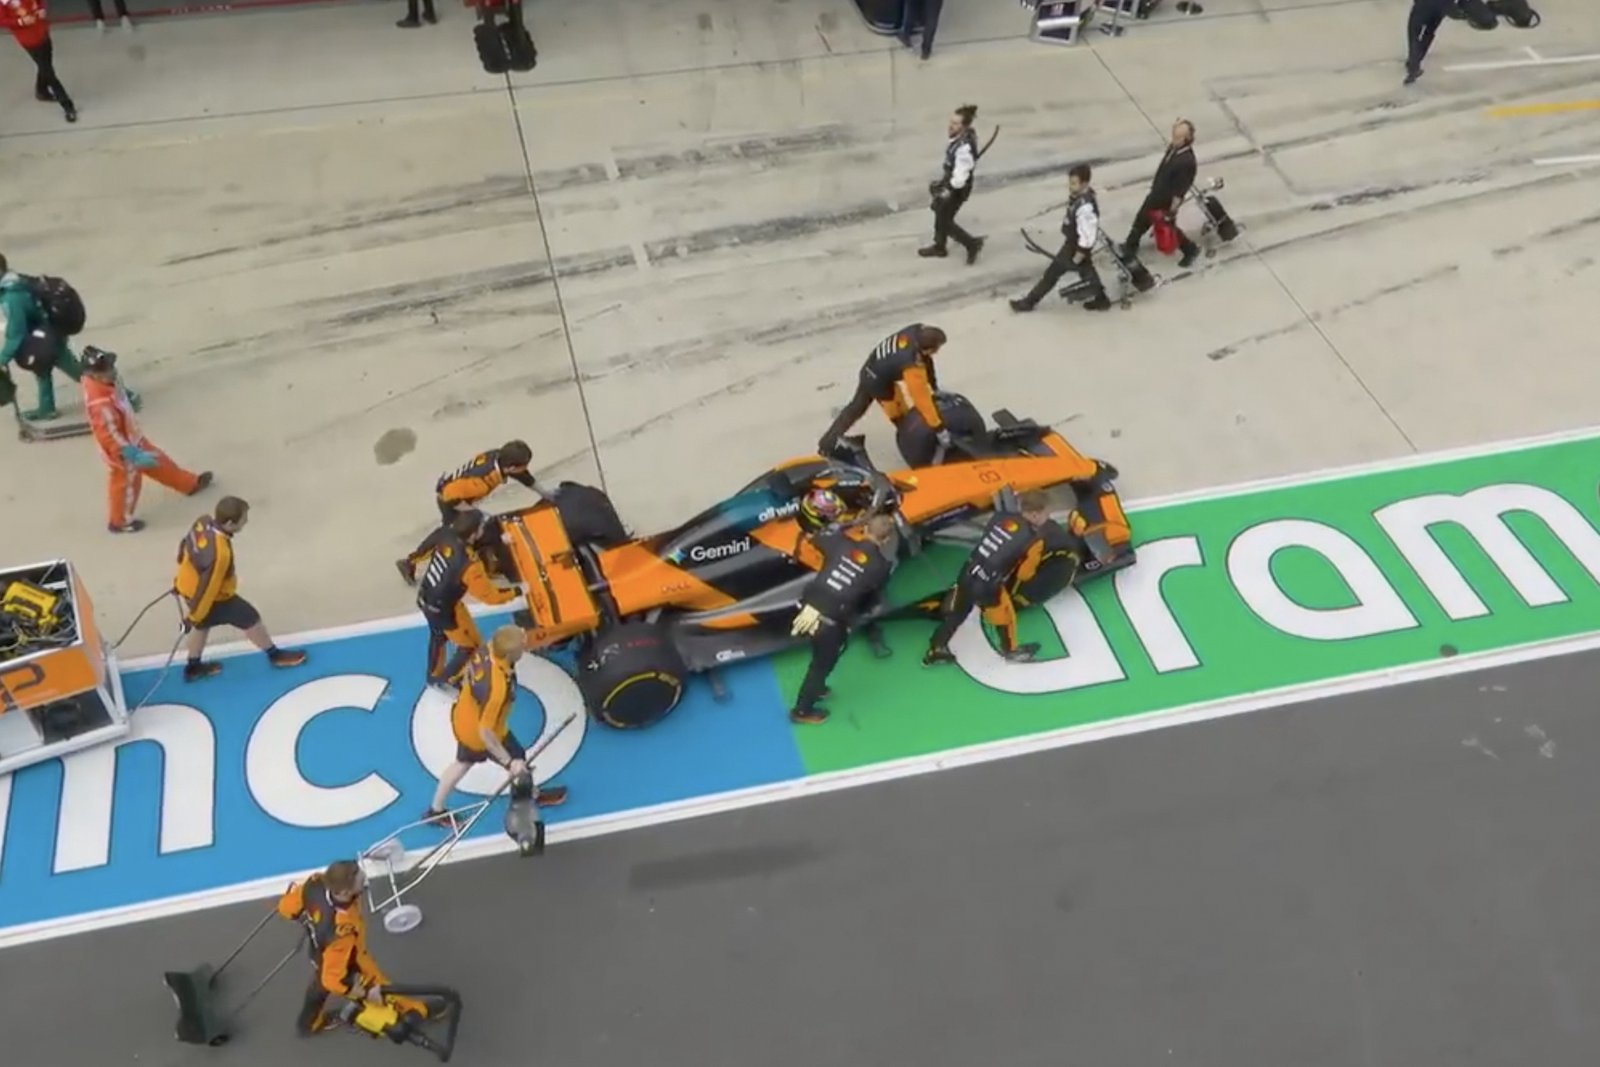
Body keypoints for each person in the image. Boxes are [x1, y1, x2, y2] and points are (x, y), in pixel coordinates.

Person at [425, 626, 568, 825]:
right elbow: (486, 732)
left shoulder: (488, 648)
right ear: (511, 653)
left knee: (464, 762)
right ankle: (529, 796)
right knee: (517, 760)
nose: (524, 646)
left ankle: (435, 810)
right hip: (481, 732)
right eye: (521, 646)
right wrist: (509, 763)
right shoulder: (497, 689)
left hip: (464, 715)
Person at [275, 860, 436, 1037]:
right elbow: (332, 979)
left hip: (317, 953)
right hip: (350, 965)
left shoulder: (315, 883)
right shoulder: (342, 931)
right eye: (361, 881)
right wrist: (361, 992)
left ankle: (308, 1025)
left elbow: (286, 908)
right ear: (344, 892)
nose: (365, 881)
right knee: (380, 988)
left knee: (318, 989)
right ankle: (414, 1012)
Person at [173, 496, 309, 681]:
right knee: (250, 618)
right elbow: (208, 589)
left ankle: (193, 667)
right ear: (230, 523)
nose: (246, 522)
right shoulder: (220, 554)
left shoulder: (202, 522)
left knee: (202, 626)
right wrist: (194, 616)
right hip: (213, 598)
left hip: (187, 587)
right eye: (243, 519)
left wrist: (178, 582)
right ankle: (275, 655)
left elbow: (184, 547)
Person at [923, 491, 1063, 666]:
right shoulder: (1034, 541)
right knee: (1006, 619)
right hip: (988, 587)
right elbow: (1024, 574)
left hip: (969, 572)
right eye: (1046, 515)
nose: (1047, 519)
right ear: (1036, 514)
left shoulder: (1000, 517)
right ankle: (1010, 652)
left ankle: (935, 649)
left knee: (957, 614)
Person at [787, 514, 898, 724]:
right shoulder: (881, 567)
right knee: (820, 665)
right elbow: (870, 601)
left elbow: (815, 536)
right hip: (830, 623)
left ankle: (817, 689)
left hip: (806, 607)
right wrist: (852, 620)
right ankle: (801, 711)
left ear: (865, 528)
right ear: (886, 540)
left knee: (821, 658)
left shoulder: (840, 543)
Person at [82, 347, 202, 533]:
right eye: (105, 370)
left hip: (132, 438)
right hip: (122, 451)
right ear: (94, 374)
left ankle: (188, 483)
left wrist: (128, 399)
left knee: (160, 462)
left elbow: (119, 395)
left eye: (111, 367)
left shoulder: (107, 383)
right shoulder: (100, 405)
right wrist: (129, 453)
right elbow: (108, 435)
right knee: (127, 484)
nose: (111, 372)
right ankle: (119, 521)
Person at [395, 440, 537, 584]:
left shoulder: (499, 458)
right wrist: (476, 514)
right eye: (524, 466)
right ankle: (409, 562)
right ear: (511, 467)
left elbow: (523, 476)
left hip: (461, 496)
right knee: (453, 534)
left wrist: (546, 494)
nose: (525, 469)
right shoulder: (480, 482)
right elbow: (448, 496)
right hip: (452, 502)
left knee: (483, 530)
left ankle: (491, 566)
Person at [0, 255, 119, 420]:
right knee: (41, 369)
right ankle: (46, 408)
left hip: (48, 336)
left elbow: (16, 333)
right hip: (43, 333)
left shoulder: (12, 298)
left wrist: (2, 358)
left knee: (78, 372)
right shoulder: (14, 283)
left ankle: (122, 395)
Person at [417, 508, 519, 689]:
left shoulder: (446, 533)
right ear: (475, 532)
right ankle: (450, 679)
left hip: (427, 596)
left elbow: (427, 549)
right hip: (446, 609)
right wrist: (517, 592)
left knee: (438, 635)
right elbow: (491, 597)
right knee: (470, 646)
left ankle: (433, 675)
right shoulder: (470, 565)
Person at [817, 323, 948, 455]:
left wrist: (934, 387)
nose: (937, 352)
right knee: (900, 417)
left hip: (871, 367)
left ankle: (826, 443)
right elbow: (922, 400)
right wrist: (939, 428)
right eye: (937, 348)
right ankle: (914, 446)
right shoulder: (912, 365)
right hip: (879, 384)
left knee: (854, 409)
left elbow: (927, 362)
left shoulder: (915, 331)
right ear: (927, 349)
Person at [1009, 163, 1111, 313]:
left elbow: (1087, 233)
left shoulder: (1085, 207)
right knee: (1086, 272)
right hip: (1074, 244)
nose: (1070, 186)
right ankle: (1101, 299)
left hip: (1074, 246)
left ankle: (1029, 302)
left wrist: (1080, 252)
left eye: (1074, 183)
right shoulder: (1081, 198)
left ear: (1084, 183)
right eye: (1070, 183)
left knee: (1052, 273)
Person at [1121, 120, 1201, 269]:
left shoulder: (1187, 161)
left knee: (1166, 227)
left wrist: (1172, 211)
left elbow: (1180, 190)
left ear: (1186, 139)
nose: (1173, 140)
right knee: (1141, 221)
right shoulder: (1174, 149)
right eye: (1173, 135)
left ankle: (1190, 249)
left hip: (1165, 201)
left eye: (1177, 137)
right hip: (1157, 193)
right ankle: (1130, 246)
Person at [920, 105, 986, 264]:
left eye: (956, 123)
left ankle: (971, 244)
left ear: (964, 127)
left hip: (958, 189)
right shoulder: (960, 140)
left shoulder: (964, 148)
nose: (951, 126)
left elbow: (961, 176)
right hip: (951, 183)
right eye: (951, 122)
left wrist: (947, 190)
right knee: (940, 211)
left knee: (944, 220)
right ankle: (939, 246)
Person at [0, 0, 74, 123]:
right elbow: (2, 20)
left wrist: (41, 9)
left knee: (45, 65)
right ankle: (67, 105)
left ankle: (41, 90)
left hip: (41, 29)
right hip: (28, 38)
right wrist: (20, 22)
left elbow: (39, 2)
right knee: (49, 72)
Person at [1406, 0, 1454, 84]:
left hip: (1423, 4)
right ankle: (1416, 61)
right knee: (1429, 33)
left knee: (1414, 34)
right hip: (1440, 7)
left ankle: (1413, 65)